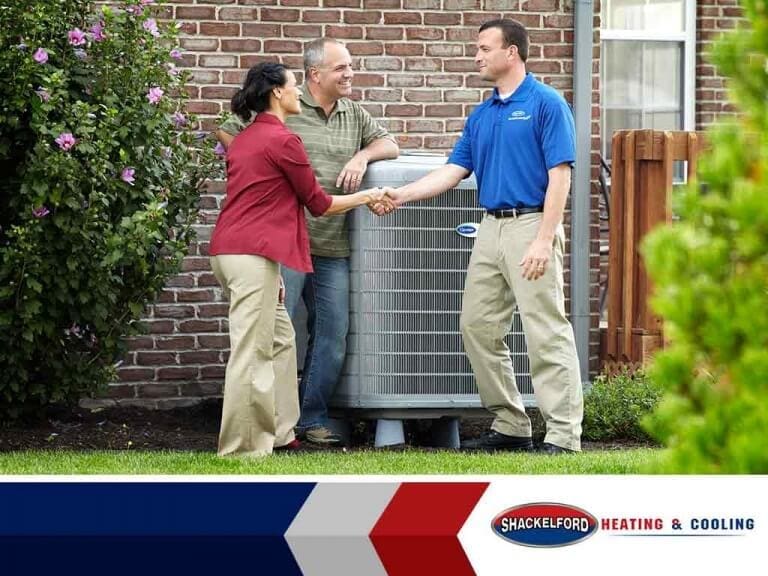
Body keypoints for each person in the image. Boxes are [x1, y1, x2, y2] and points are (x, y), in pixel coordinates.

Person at [379, 19, 583, 454]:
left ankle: (564, 435)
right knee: (476, 326)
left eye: (485, 48)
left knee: (545, 330)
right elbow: (454, 171)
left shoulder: (547, 103)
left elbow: (560, 175)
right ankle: (511, 424)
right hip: (490, 228)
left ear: (512, 53)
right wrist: (402, 196)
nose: (477, 56)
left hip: (532, 223)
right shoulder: (483, 114)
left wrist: (544, 239)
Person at [217, 38, 399, 447]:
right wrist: (369, 196)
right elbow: (317, 203)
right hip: (269, 247)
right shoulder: (279, 137)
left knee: (286, 340)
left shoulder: (345, 116)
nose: (350, 73)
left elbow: (390, 143)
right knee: (255, 348)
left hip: (301, 246)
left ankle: (288, 430)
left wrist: (362, 157)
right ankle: (241, 449)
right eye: (341, 67)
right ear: (304, 80)